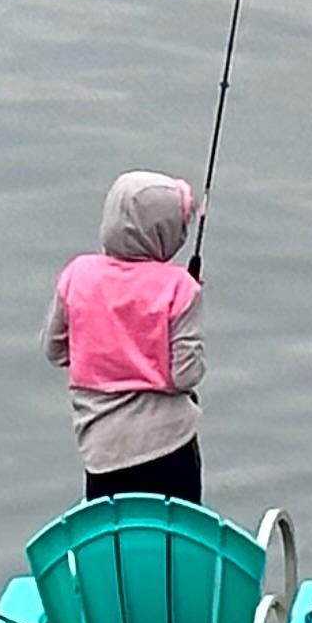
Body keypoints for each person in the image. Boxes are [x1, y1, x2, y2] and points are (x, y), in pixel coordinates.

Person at [44, 172, 206, 501]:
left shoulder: (78, 275)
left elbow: (55, 350)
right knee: (175, 530)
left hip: (101, 449)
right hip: (171, 446)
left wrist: (104, 352)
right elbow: (185, 375)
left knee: (114, 531)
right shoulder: (181, 287)